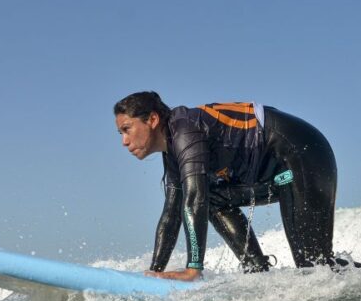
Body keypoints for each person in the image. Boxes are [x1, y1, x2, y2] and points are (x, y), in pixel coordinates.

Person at [113, 91, 339, 281]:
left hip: (302, 154)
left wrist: (193, 269)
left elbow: (194, 199)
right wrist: (155, 274)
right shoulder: (172, 151)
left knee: (315, 268)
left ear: (152, 120)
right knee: (211, 198)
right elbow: (171, 215)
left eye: (127, 129)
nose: (124, 141)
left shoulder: (186, 130)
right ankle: (256, 269)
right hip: (272, 175)